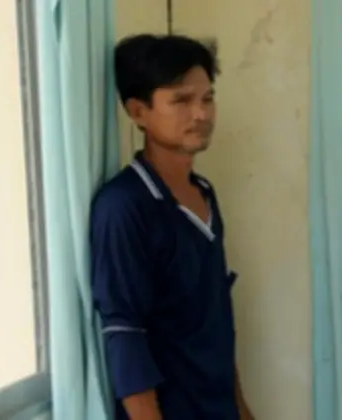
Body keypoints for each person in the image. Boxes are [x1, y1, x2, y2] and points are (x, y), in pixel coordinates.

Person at [90, 34, 255, 420]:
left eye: (207, 98)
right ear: (138, 111)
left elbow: (216, 320)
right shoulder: (124, 206)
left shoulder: (204, 194)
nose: (201, 114)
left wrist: (241, 409)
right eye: (181, 101)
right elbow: (124, 334)